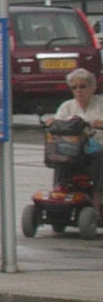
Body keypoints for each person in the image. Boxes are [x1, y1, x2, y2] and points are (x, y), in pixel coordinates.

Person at [50, 68, 103, 204]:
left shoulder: (100, 104)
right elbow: (58, 124)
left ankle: (97, 197)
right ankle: (60, 190)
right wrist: (52, 122)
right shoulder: (67, 106)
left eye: (83, 86)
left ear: (92, 87)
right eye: (74, 87)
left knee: (100, 156)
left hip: (97, 147)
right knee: (59, 155)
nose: (78, 90)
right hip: (74, 148)